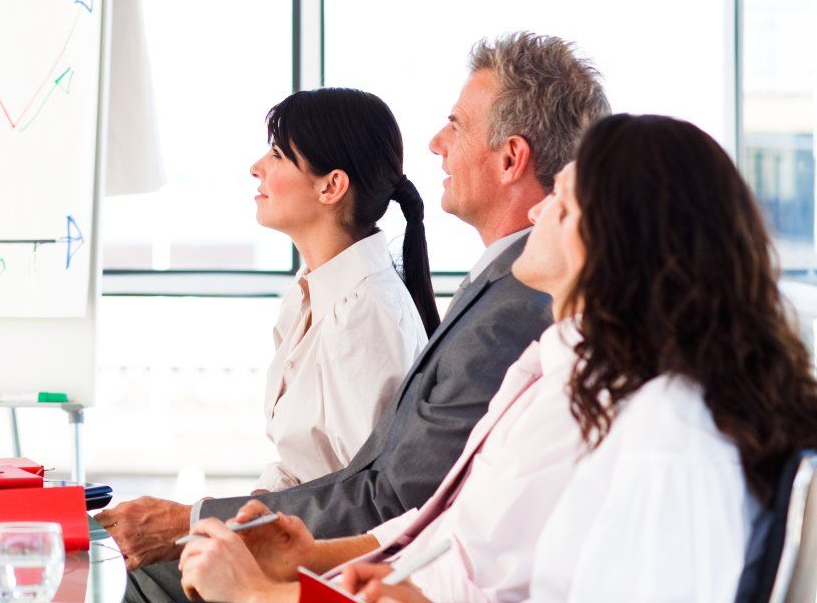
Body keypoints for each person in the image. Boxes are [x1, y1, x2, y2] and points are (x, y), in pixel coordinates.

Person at [181, 114, 817, 603]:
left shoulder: (661, 431)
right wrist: (313, 558)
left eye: (561, 202)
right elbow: (464, 537)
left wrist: (259, 596)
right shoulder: (567, 367)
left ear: (613, 246)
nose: (536, 208)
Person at [104, 33, 608, 576]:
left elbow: (396, 498)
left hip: (367, 563)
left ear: (510, 158)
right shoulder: (490, 291)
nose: (437, 142)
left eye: (456, 125)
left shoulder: (500, 311)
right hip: (352, 550)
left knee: (150, 578)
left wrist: (201, 523)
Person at [249, 88, 437, 491]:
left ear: (331, 186)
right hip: (299, 532)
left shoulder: (364, 313)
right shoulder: (309, 295)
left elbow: (370, 498)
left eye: (278, 155)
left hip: (332, 549)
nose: (256, 167)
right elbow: (305, 467)